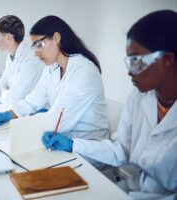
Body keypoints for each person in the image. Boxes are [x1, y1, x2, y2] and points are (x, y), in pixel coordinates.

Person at [43, 10, 177, 199]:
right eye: (128, 61)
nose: (130, 72)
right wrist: (73, 145)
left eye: (136, 61)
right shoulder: (139, 98)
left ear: (167, 60)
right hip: (130, 189)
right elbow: (121, 150)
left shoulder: (84, 70)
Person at [0, 15, 109, 142]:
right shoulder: (52, 67)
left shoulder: (84, 71)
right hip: (61, 137)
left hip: (87, 145)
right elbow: (33, 101)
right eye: (34, 46)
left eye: (39, 44)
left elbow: (58, 120)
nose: (35, 52)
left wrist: (26, 123)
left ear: (56, 38)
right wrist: (10, 114)